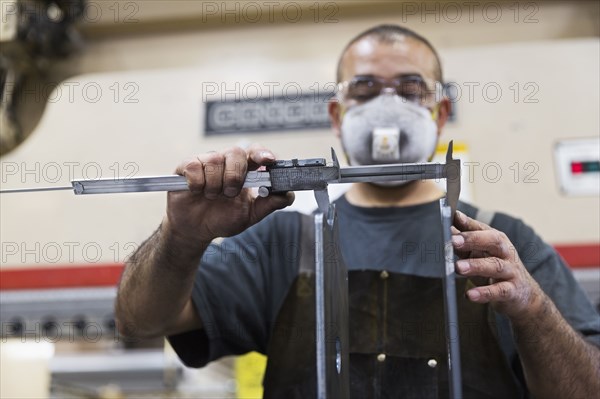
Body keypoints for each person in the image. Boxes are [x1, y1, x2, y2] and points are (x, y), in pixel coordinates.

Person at [115, 25, 600, 398]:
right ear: (336, 114)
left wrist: (534, 313)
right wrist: (181, 237)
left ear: (441, 113)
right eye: (365, 90)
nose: (387, 106)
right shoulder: (280, 240)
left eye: (410, 90)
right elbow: (139, 321)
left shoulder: (506, 242)